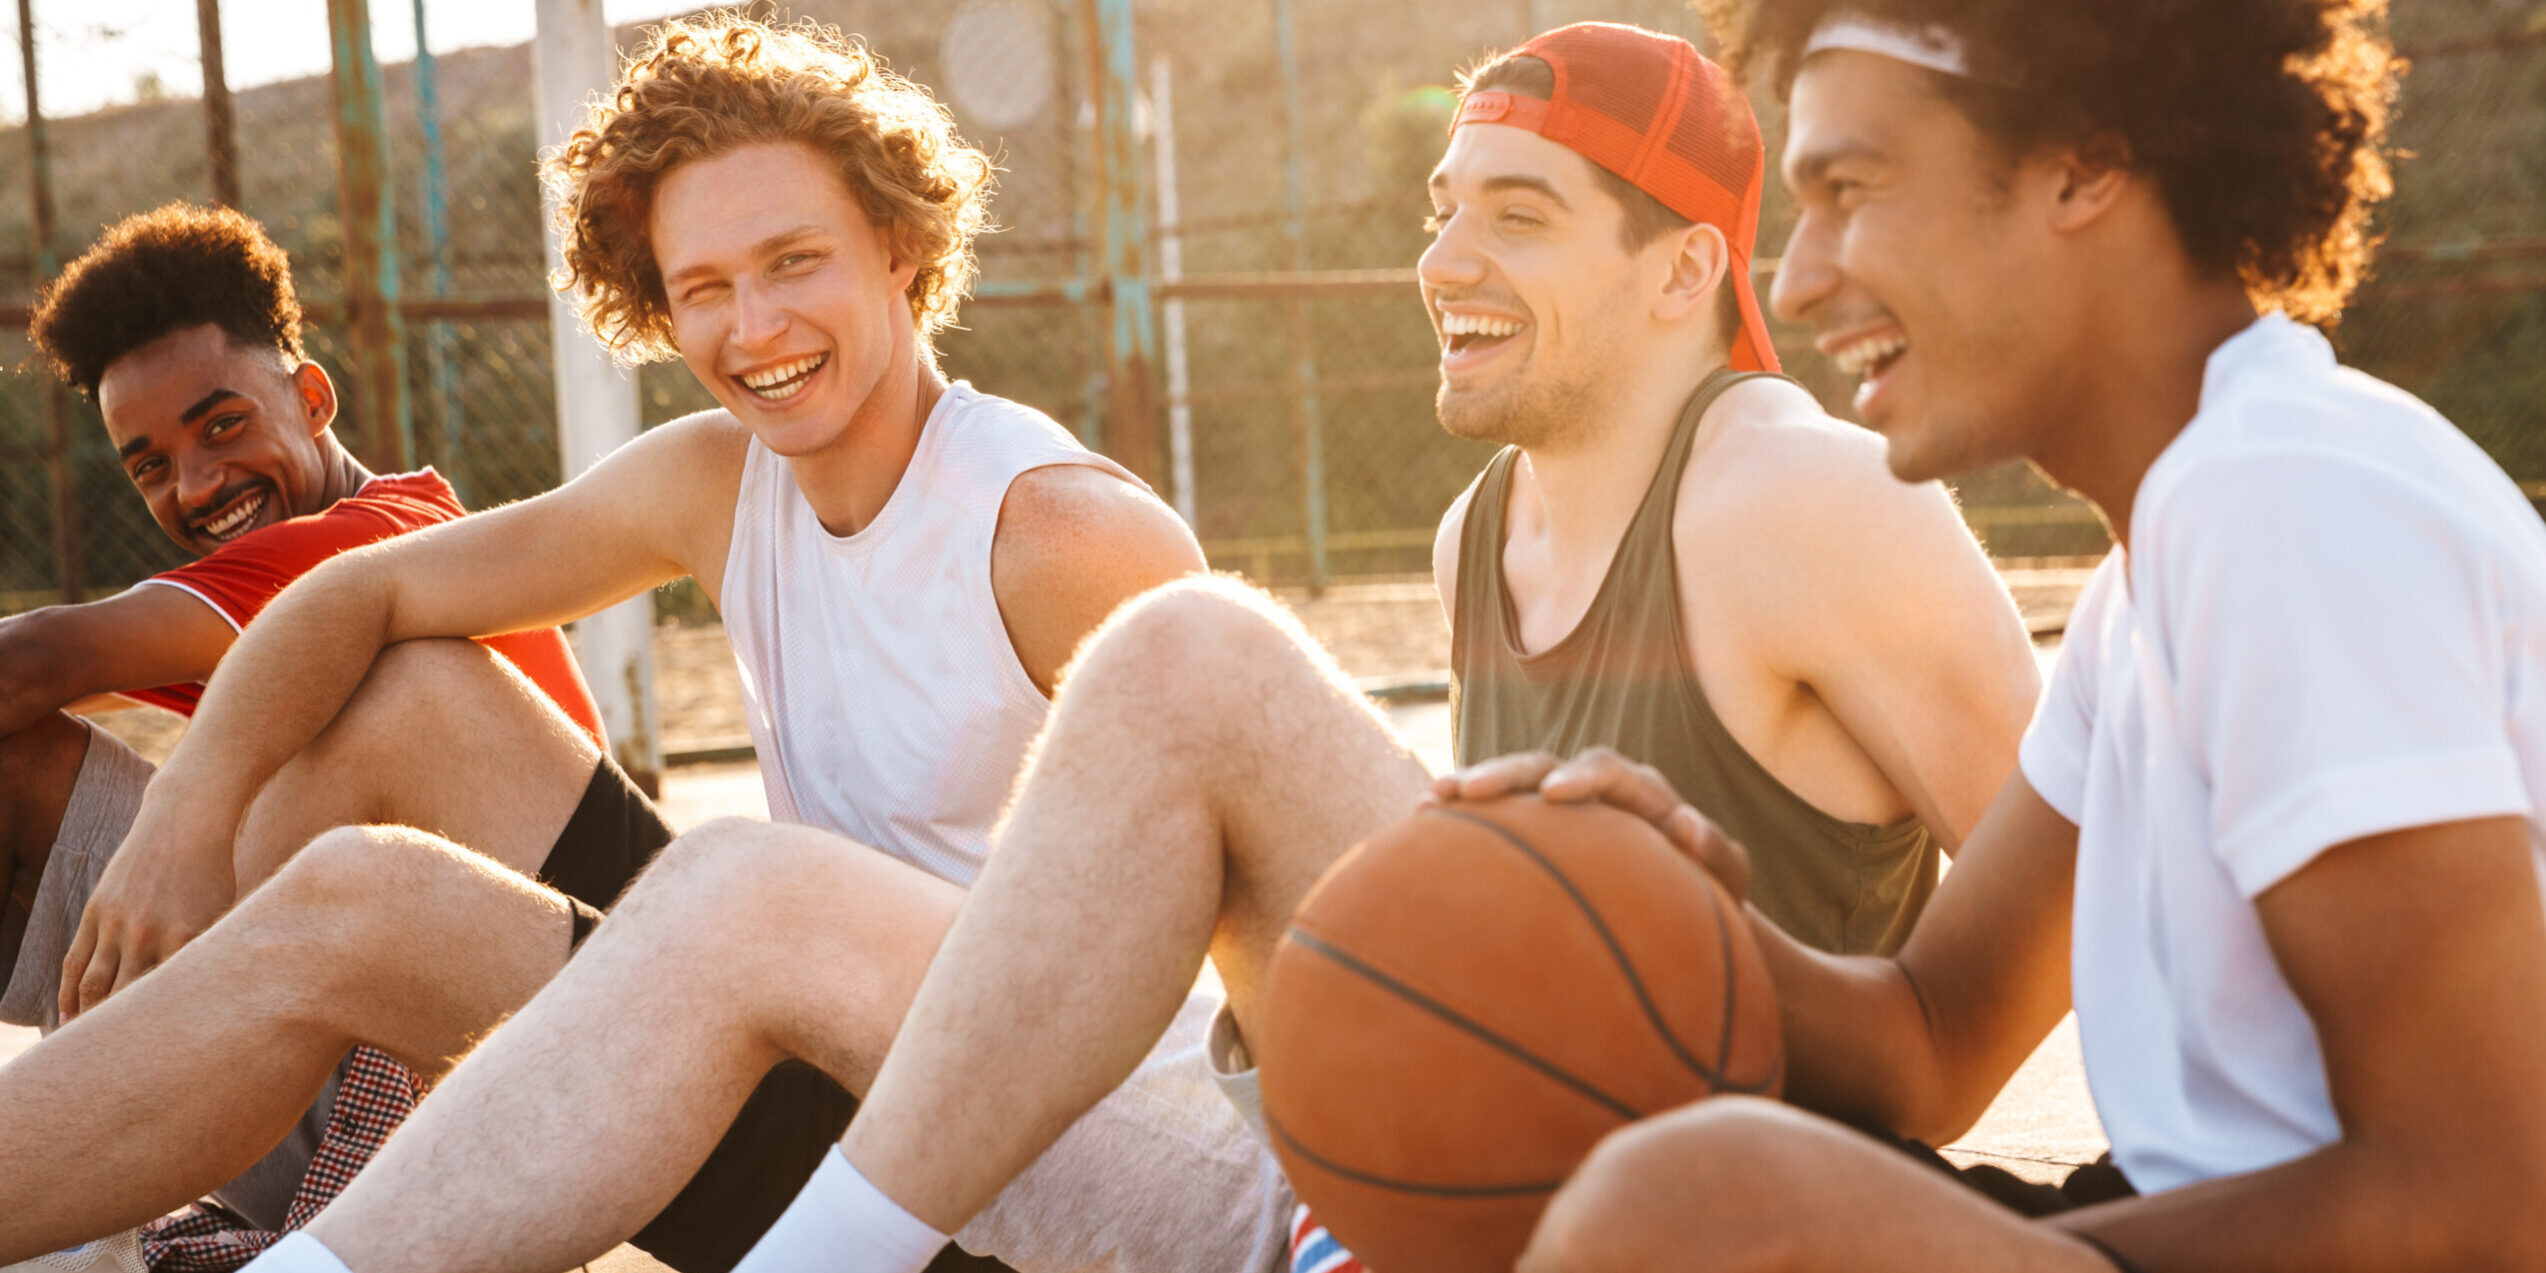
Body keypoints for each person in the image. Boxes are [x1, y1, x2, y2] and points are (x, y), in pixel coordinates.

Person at [235, 23, 2038, 1273]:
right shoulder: (1486, 525)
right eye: (1442, 205)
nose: (1443, 256)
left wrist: (1687, 964)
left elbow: (2021, 988)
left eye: (1520, 210)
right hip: (1418, 1153)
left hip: (1676, 1184)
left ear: (1682, 270)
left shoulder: (1809, 494)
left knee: (1182, 659)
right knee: (595, 893)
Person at [0, 18, 1233, 1273]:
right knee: (399, 745)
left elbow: (1292, 922)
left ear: (900, 245)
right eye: (702, 287)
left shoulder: (1054, 533)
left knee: (740, 890)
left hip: (1022, 1196)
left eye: (794, 261)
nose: (753, 328)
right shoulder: (720, 480)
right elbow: (346, 600)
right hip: (811, 1065)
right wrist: (185, 816)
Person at [1504, 3, 2546, 1270]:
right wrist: (1658, 911)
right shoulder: (2151, 571)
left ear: (2081, 165)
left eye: (1851, 188)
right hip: (2189, 1216)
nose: (1796, 275)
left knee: (1680, 1204)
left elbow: (2485, 1202)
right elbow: (1930, 1042)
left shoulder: (2279, 500)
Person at [0, 202, 617, 1252]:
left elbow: (41, 658)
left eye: (222, 424)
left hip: (489, 1049)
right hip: (317, 1000)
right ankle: (92, 1184)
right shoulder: (250, 584)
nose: (196, 482)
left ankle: (95, 1187)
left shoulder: (379, 537)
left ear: (312, 396)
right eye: (149, 463)